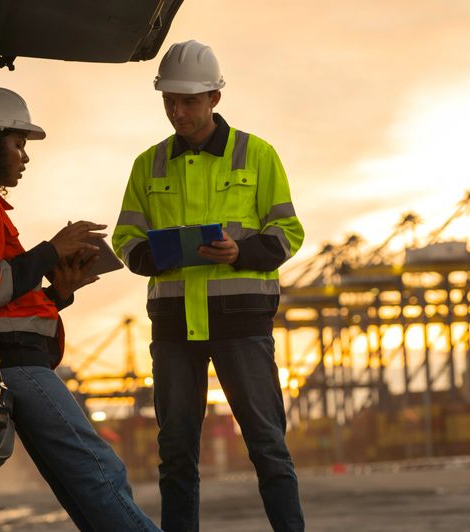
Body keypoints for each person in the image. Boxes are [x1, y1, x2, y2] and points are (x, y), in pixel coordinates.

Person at [0, 87, 161, 532]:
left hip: (15, 360)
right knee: (99, 474)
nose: (24, 157)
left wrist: (58, 293)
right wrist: (50, 249)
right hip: (18, 364)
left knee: (82, 485)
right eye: (17, 144)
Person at [113, 40, 306, 531]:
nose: (177, 111)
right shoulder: (147, 165)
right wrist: (156, 254)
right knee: (176, 452)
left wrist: (241, 253)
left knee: (267, 443)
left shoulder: (256, 155)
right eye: (169, 101)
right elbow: (126, 239)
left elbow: (288, 233)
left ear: (214, 98)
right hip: (175, 327)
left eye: (188, 101)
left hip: (241, 322)